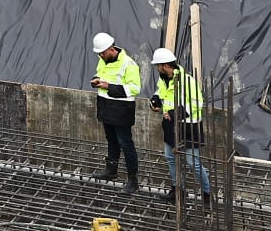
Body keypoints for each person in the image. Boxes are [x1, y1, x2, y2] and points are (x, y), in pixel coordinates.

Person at [151, 47, 212, 204]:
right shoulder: (164, 79)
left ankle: (207, 194)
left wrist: (173, 113)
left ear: (165, 66)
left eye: (158, 66)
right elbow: (161, 92)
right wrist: (155, 101)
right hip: (171, 125)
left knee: (193, 163)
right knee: (171, 157)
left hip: (188, 126)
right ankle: (178, 189)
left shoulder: (187, 81)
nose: (157, 69)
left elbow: (197, 103)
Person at [90, 31, 141, 193]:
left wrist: (109, 87)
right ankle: (111, 170)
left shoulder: (129, 64)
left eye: (103, 53)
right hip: (106, 106)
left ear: (111, 49)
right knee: (111, 140)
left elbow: (135, 88)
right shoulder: (103, 59)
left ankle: (133, 180)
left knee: (126, 144)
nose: (101, 56)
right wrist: (96, 80)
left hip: (121, 110)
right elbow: (101, 74)